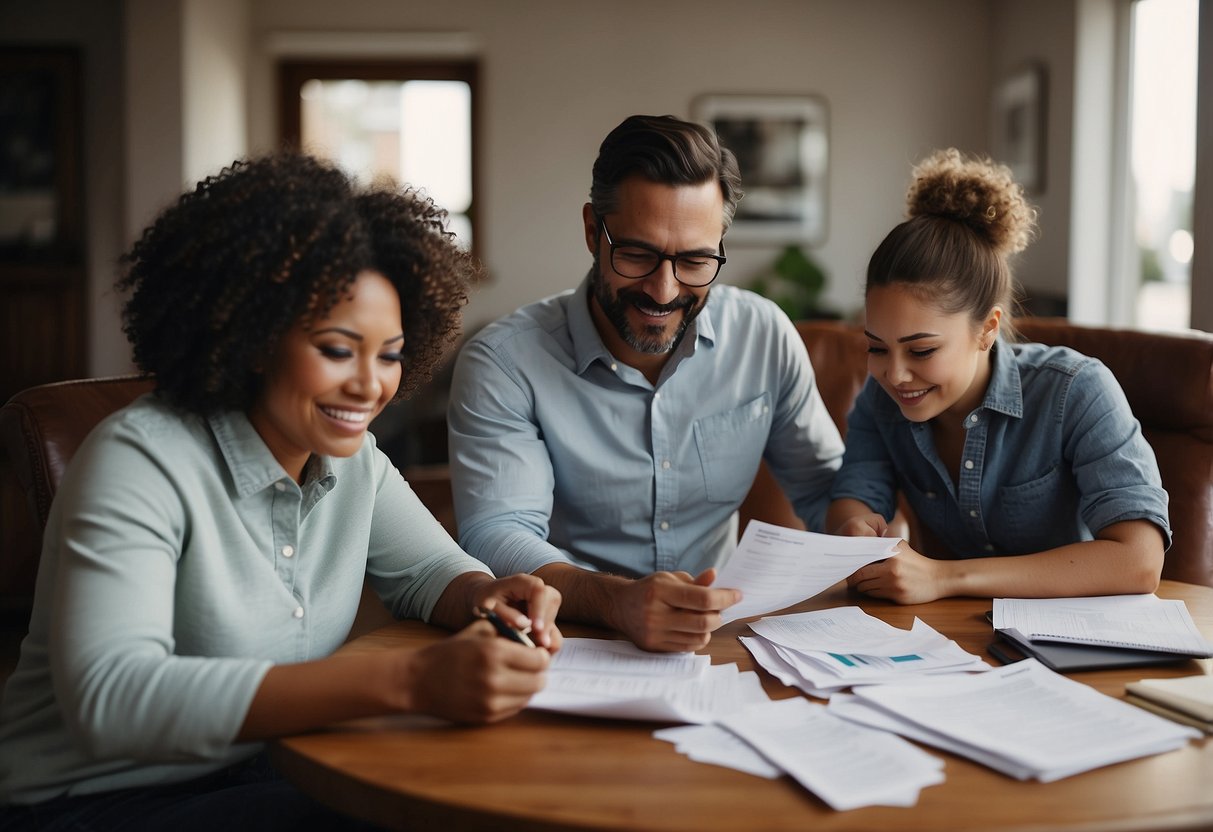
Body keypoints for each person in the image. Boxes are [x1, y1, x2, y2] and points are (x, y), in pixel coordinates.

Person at [0, 153, 561, 830]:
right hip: (94, 799)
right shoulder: (138, 459)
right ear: (256, 336)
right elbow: (111, 700)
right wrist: (410, 681)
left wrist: (484, 594)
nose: (370, 384)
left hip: (269, 762)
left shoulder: (349, 457)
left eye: (389, 353)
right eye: (335, 348)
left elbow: (430, 572)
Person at [447, 114, 844, 653]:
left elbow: (825, 489)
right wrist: (616, 600)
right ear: (593, 231)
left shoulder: (763, 334)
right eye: (637, 254)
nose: (663, 290)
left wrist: (863, 529)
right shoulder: (504, 362)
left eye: (695, 260)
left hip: (724, 640)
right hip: (569, 640)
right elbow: (497, 533)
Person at [827, 148, 1169, 604]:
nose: (895, 374)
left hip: (1074, 640)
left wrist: (945, 578)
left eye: (922, 349)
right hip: (950, 643)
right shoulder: (880, 399)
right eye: (876, 347)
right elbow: (853, 496)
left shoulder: (1077, 390)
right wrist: (853, 527)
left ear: (987, 328)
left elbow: (1139, 560)